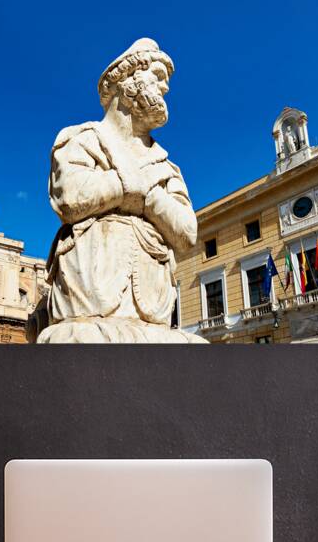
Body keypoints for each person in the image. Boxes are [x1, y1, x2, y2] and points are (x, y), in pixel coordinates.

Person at [38, 38, 207, 343]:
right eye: (158, 77)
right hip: (90, 294)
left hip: (153, 307)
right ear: (128, 82)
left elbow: (187, 233)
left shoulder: (167, 164)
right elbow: (70, 199)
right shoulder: (81, 139)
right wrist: (132, 185)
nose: (165, 88)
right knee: (81, 340)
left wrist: (147, 197)